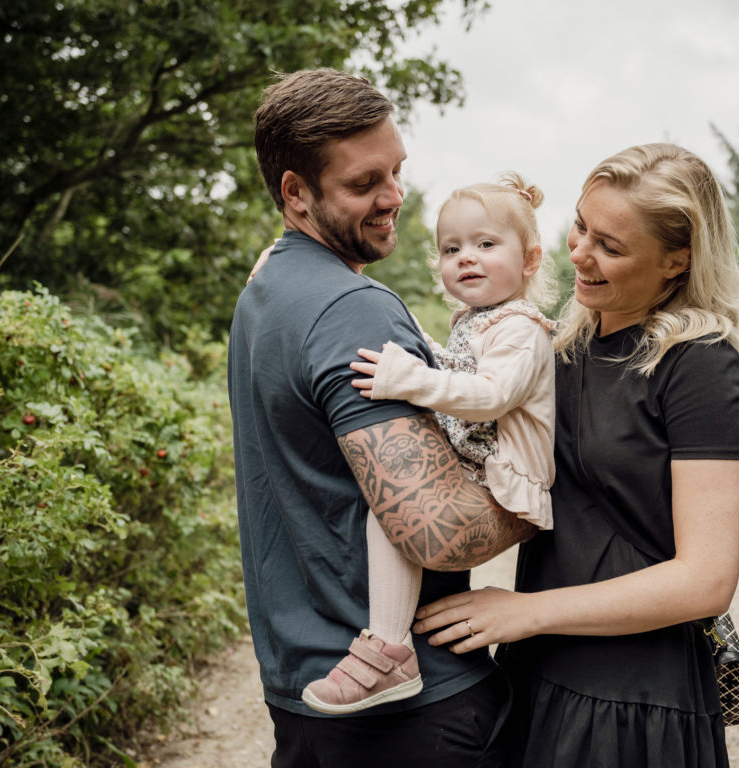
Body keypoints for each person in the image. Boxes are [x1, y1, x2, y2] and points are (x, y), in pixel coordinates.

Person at [409, 143, 739, 768]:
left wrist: (526, 611)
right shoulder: (558, 348)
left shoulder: (700, 366)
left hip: (630, 700)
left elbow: (706, 580)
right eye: (580, 226)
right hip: (538, 667)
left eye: (611, 247)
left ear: (677, 260)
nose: (578, 253)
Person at [227, 68, 534, 768]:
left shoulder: (263, 293)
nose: (394, 196)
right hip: (412, 714)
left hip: (304, 695)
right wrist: (545, 494)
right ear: (295, 193)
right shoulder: (354, 310)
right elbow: (435, 530)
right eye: (365, 183)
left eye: (396, 171)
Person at [302, 173, 558, 714]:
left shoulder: (522, 329)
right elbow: (448, 362)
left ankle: (389, 649)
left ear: (530, 260)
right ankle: (386, 639)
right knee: (392, 503)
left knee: (400, 511)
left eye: (486, 244)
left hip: (507, 485)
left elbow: (489, 396)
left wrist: (410, 379)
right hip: (476, 468)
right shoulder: (477, 321)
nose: (466, 258)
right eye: (451, 248)